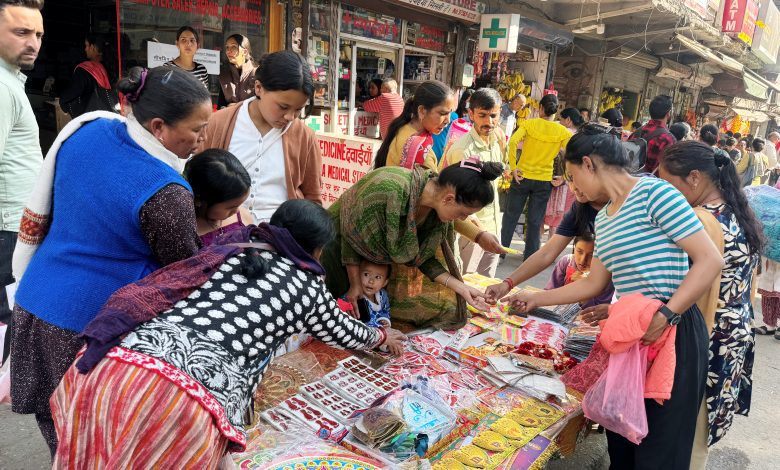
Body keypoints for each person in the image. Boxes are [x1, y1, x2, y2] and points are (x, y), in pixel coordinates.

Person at [50, 200, 407, 467]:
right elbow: (341, 331)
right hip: (177, 394)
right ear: (315, 249)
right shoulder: (305, 285)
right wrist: (381, 337)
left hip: (112, 364)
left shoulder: (236, 250)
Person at [10, 65, 210, 456]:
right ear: (158, 127)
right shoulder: (165, 192)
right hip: (87, 333)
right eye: (197, 129)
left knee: (61, 438)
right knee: (98, 448)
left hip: (36, 307)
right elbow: (185, 273)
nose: (202, 139)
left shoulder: (90, 130)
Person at [506, 131, 723, 469]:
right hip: (633, 332)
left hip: (673, 329)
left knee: (660, 448)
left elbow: (710, 260)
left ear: (589, 164)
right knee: (622, 440)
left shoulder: (656, 192)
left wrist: (667, 313)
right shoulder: (604, 219)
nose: (573, 189)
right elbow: (594, 282)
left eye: (574, 178)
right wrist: (537, 297)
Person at [659, 141, 764, 466]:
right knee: (700, 433)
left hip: (706, 336)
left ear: (693, 178)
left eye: (667, 183)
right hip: (734, 334)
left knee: (685, 437)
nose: (664, 191)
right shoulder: (738, 210)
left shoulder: (700, 221)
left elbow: (679, 285)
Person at [321, 161, 502, 328]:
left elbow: (422, 258)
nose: (462, 220)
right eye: (463, 213)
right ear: (448, 199)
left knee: (361, 321)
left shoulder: (433, 209)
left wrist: (463, 289)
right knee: (332, 316)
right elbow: (352, 236)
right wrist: (354, 284)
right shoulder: (387, 188)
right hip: (333, 247)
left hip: (366, 265)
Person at [201, 50, 321, 223]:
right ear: (259, 88)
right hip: (224, 234)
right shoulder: (218, 124)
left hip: (281, 237)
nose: (290, 117)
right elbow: (197, 184)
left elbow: (313, 199)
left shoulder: (305, 137)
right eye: (283, 106)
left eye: (297, 110)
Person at [0, 0, 43, 362]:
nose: (33, 42)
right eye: (22, 32)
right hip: (6, 227)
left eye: (38, 34)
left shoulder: (10, 81)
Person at [440, 88, 505, 278]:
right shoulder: (463, 149)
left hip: (493, 225)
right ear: (471, 115)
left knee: (488, 285)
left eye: (493, 115)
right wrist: (479, 232)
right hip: (472, 231)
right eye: (482, 115)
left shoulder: (496, 140)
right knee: (467, 282)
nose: (489, 121)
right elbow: (456, 199)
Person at [502, 94, 571, 259]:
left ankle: (500, 252)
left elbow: (512, 142)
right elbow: (572, 152)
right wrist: (565, 176)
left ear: (540, 108)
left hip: (522, 177)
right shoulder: (562, 131)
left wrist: (513, 167)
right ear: (555, 112)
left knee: (511, 215)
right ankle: (530, 257)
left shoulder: (529, 123)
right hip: (544, 181)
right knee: (535, 220)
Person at [374, 80, 456, 171]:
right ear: (421, 111)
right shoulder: (420, 151)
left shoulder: (403, 128)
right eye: (442, 113)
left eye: (450, 113)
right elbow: (433, 185)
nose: (448, 120)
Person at [184, 148, 254, 246]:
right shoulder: (187, 233)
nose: (237, 211)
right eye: (231, 208)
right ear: (199, 200)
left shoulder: (242, 218)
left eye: (239, 205)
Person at [545, 232, 613, 309]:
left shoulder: (605, 274)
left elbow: (600, 309)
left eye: (591, 255)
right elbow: (550, 292)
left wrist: (586, 290)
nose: (583, 260)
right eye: (579, 251)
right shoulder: (566, 262)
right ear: (574, 247)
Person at [59, 33, 118, 117]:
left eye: (87, 45)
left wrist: (62, 102)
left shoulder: (84, 70)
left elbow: (71, 93)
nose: (85, 49)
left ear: (93, 47)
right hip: (108, 117)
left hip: (89, 119)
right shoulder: (111, 68)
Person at [630, 95, 676, 174]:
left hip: (628, 181)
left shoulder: (637, 132)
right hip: (649, 185)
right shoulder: (669, 139)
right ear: (668, 114)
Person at [218, 33, 256, 108]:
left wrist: (237, 107)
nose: (229, 51)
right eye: (227, 47)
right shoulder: (225, 76)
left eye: (234, 47)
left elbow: (262, 104)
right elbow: (221, 105)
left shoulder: (257, 74)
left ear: (245, 52)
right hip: (230, 118)